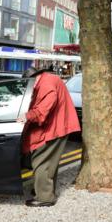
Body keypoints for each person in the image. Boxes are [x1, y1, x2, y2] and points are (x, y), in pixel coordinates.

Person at [18, 67, 80, 207]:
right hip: (58, 126)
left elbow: (43, 110)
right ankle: (43, 190)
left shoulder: (46, 84)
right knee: (49, 162)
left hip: (55, 128)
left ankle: (45, 197)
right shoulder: (48, 79)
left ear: (34, 79)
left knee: (41, 162)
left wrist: (26, 116)